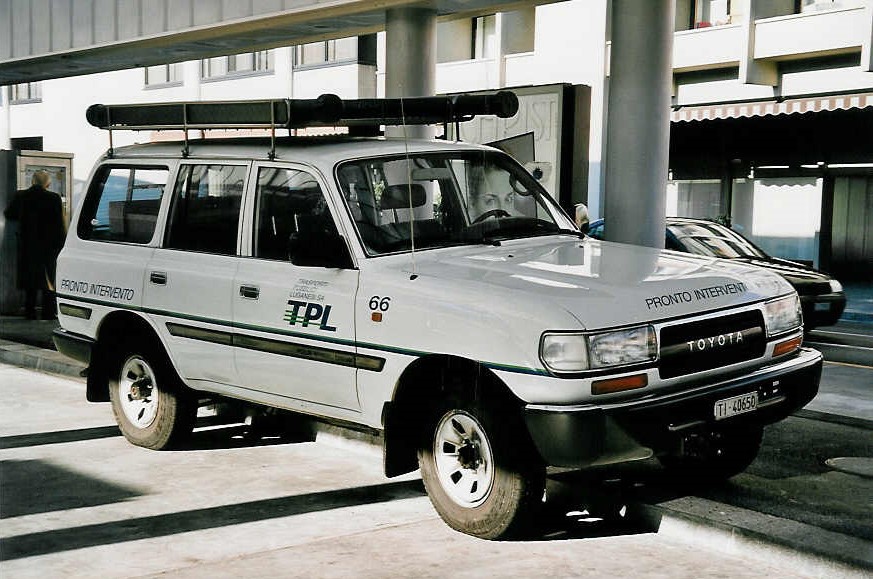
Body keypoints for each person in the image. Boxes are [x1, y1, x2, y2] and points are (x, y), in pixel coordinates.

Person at [4, 170, 66, 320]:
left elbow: (9, 214)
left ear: (32, 181)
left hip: (27, 244)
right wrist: (61, 244)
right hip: (48, 246)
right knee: (49, 279)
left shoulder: (21, 196)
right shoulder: (54, 198)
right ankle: (48, 312)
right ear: (47, 183)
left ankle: (30, 311)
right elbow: (59, 224)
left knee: (29, 279)